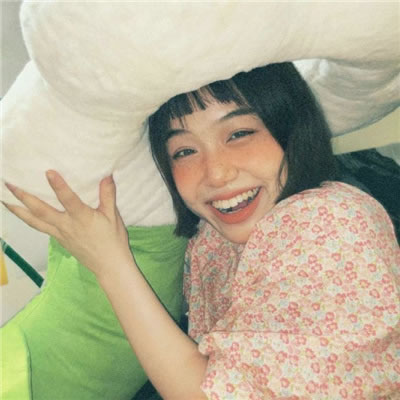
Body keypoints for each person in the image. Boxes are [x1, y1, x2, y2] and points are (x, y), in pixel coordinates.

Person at [4, 63, 399, 399]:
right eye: (184, 151)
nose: (216, 173)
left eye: (239, 134)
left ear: (291, 130)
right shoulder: (211, 240)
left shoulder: (330, 221)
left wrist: (111, 264)